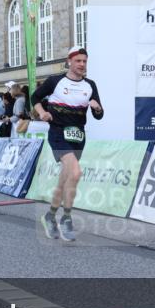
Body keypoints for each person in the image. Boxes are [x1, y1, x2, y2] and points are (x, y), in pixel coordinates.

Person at [31, 46, 103, 242]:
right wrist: (42, 112)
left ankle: (50, 216)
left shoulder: (90, 85)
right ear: (69, 62)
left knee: (64, 180)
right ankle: (67, 218)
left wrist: (96, 108)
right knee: (76, 172)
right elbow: (35, 97)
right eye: (78, 61)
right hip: (58, 133)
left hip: (78, 136)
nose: (82, 64)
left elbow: (99, 114)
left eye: (84, 61)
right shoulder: (55, 81)